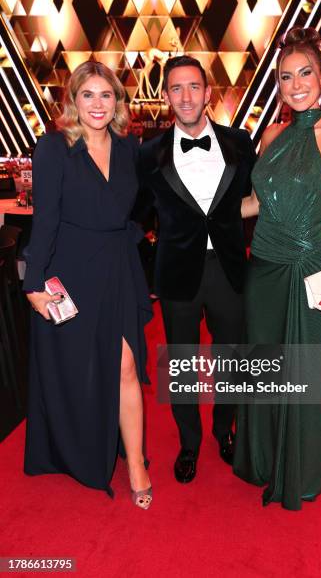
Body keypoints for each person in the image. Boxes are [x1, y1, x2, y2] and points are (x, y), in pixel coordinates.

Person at [233, 27, 321, 510]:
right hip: (262, 267)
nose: (296, 84)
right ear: (279, 85)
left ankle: (297, 473)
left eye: (305, 73)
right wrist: (202, 210)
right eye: (287, 77)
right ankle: (262, 460)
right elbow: (255, 203)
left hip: (313, 269)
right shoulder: (271, 135)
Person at [23, 61, 153, 509]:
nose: (98, 104)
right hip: (72, 271)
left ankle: (135, 462)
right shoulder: (54, 148)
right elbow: (45, 222)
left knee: (125, 366)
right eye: (88, 95)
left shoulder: (129, 148)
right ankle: (78, 446)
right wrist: (34, 284)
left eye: (106, 95)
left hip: (117, 268)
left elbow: (147, 206)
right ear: (72, 101)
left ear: (118, 101)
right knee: (78, 369)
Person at [140, 55, 257, 483]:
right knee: (183, 365)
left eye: (194, 87)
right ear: (166, 95)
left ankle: (224, 431)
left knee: (232, 360)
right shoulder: (149, 152)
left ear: (209, 93)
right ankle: (189, 442)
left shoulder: (239, 142)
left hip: (228, 269)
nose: (186, 96)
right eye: (176, 88)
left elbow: (258, 198)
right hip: (177, 275)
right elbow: (136, 215)